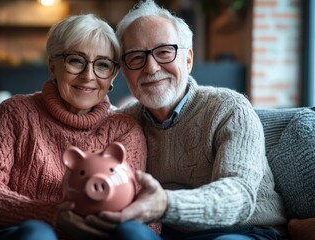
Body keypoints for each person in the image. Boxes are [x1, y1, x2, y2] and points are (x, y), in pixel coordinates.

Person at [0, 13, 157, 240]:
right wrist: (48, 215)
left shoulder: (125, 130)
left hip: (100, 233)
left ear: (113, 75)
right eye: (75, 60)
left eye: (102, 65)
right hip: (18, 229)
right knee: (38, 234)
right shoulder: (16, 112)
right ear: (53, 65)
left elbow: (136, 202)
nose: (88, 76)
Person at [88, 1, 288, 239]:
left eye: (164, 52)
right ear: (124, 70)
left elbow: (238, 194)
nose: (151, 68)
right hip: (167, 232)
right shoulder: (124, 121)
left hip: (244, 229)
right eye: (135, 56)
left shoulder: (230, 108)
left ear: (188, 59)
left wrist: (165, 204)